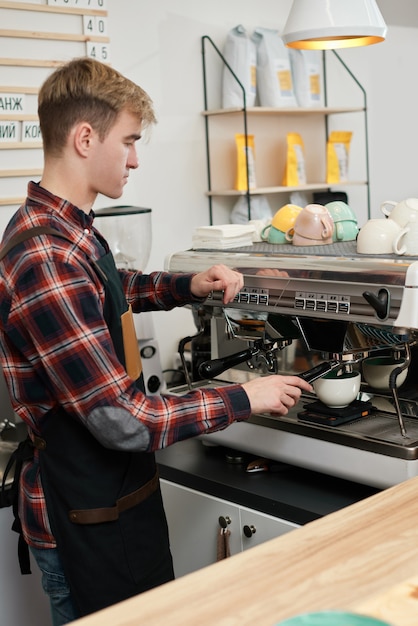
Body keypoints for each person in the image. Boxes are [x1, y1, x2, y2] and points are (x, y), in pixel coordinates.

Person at [0, 57, 312, 625]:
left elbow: (110, 290)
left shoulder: (69, 231)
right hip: (81, 519)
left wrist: (187, 285)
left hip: (112, 506)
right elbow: (124, 421)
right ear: (85, 137)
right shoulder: (46, 258)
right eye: (130, 141)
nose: (136, 158)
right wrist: (245, 397)